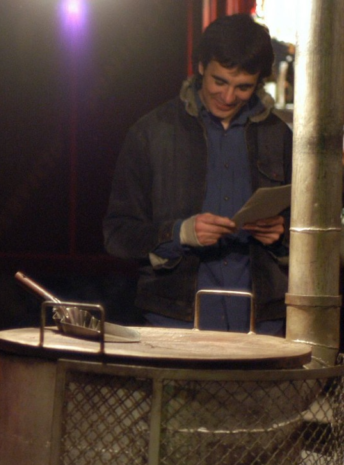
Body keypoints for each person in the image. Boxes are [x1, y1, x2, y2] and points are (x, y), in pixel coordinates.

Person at [104, 14, 291, 335]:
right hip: (174, 323)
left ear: (259, 81)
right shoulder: (152, 132)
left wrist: (282, 237)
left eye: (243, 87)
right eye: (220, 81)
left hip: (263, 325)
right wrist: (180, 233)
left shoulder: (281, 137)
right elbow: (117, 235)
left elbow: (320, 238)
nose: (229, 97)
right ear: (201, 66)